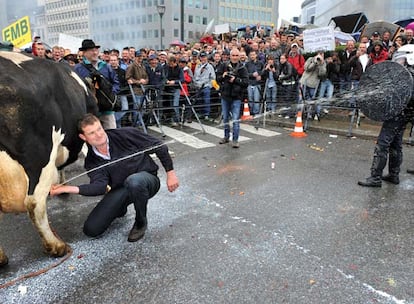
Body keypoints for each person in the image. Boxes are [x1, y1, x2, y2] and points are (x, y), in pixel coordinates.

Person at [49, 114, 179, 241]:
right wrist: (66, 189)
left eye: (99, 129)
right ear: (83, 137)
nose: (99, 134)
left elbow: (159, 146)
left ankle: (140, 223)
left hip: (147, 180)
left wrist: (170, 174)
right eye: (92, 133)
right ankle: (121, 207)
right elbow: (99, 187)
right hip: (121, 188)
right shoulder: (92, 161)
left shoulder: (125, 134)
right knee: (92, 229)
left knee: (134, 181)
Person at [358, 44, 414, 187]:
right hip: (404, 114)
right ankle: (394, 174)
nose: (398, 61)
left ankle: (375, 177)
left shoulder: (408, 75)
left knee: (382, 144)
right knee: (396, 144)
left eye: (401, 58)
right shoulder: (409, 73)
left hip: (398, 114)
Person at [74, 39, 120, 129]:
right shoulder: (78, 69)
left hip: (107, 110)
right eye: (91, 50)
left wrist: (111, 93)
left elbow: (116, 82)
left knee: (112, 135)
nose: (95, 53)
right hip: (90, 112)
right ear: (84, 53)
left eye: (96, 50)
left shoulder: (106, 66)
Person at [216, 48, 249, 148]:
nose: (234, 57)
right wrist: (223, 76)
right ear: (230, 56)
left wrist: (235, 80)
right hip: (225, 96)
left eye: (236, 55)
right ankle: (226, 137)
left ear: (239, 57)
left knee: (235, 119)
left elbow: (245, 82)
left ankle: (235, 140)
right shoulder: (224, 65)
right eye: (233, 55)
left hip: (236, 97)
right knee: (225, 118)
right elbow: (217, 79)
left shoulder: (242, 68)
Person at [126, 50, 148, 127]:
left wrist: (145, 81)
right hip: (135, 90)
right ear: (135, 57)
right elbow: (128, 78)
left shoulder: (143, 66)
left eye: (141, 56)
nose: (140, 58)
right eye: (138, 56)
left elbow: (146, 77)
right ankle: (136, 123)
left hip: (142, 90)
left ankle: (139, 122)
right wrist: (139, 81)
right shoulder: (131, 66)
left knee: (143, 108)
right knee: (137, 108)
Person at [193, 51, 216, 120]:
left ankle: (206, 114)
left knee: (206, 100)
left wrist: (209, 85)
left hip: (206, 86)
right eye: (202, 57)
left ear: (207, 58)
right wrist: (196, 84)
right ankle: (200, 113)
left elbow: (213, 78)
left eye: (204, 57)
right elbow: (195, 76)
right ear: (200, 58)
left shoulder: (210, 66)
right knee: (199, 100)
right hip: (198, 86)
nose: (203, 59)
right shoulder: (198, 66)